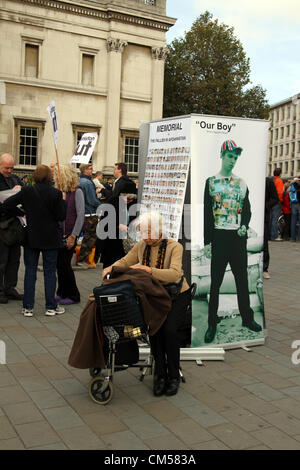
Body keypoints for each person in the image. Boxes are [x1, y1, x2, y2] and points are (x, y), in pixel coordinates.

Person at [102, 212, 189, 397]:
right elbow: (126, 261)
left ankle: (173, 376)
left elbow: (174, 274)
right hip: (154, 294)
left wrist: (147, 269)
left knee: (170, 332)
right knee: (154, 331)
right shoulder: (142, 245)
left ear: (159, 231)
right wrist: (111, 268)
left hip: (176, 295)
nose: (145, 237)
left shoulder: (175, 247)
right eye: (142, 232)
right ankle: (160, 375)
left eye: (149, 233)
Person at [203, 140, 262, 343]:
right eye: (230, 156)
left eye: (236, 157)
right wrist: (208, 242)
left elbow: (247, 209)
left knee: (242, 280)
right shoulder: (211, 182)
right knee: (215, 283)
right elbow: (207, 214)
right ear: (222, 155)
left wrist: (245, 224)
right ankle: (212, 323)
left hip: (237, 238)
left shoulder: (242, 183)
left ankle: (247, 318)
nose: (233, 160)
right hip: (219, 237)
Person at [2, 165, 66, 317]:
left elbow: (6, 204)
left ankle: (28, 307)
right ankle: (50, 306)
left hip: (32, 235)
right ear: (50, 177)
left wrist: (23, 212)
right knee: (50, 272)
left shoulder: (27, 190)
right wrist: (63, 201)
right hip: (50, 236)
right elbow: (61, 216)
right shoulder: (56, 193)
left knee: (30, 271)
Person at [53, 165, 85, 304]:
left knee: (65, 264)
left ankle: (73, 295)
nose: (56, 177)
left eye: (58, 175)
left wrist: (73, 235)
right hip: (59, 233)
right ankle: (62, 291)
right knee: (59, 264)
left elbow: (80, 215)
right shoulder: (59, 191)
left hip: (70, 233)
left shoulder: (77, 192)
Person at [0, 153, 23, 304]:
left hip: (15, 225)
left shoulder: (15, 179)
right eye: (6, 168)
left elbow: (26, 194)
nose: (9, 170)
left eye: (11, 168)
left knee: (14, 259)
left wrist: (21, 190)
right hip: (2, 225)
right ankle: (0, 290)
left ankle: (10, 287)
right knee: (2, 260)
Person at [78, 163, 101, 268]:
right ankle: (83, 260)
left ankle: (82, 259)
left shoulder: (78, 180)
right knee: (90, 237)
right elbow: (92, 200)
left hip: (81, 211)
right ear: (84, 170)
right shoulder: (87, 182)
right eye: (90, 169)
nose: (92, 171)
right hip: (90, 212)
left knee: (84, 236)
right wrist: (101, 203)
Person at [263, 176, 279, 279]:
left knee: (263, 243)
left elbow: (275, 198)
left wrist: (265, 206)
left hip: (263, 217)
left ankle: (264, 268)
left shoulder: (268, 182)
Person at [269, 167, 284, 241]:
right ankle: (274, 236)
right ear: (280, 174)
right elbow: (280, 193)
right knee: (275, 219)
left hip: (270, 202)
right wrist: (280, 200)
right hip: (276, 202)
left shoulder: (271, 180)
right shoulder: (279, 181)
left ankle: (269, 235)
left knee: (270, 218)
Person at [290, 177, 300, 241]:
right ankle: (299, 238)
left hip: (293, 203)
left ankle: (293, 238)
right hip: (299, 203)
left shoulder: (293, 184)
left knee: (293, 221)